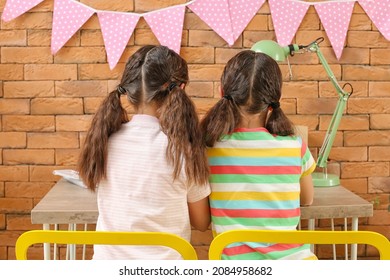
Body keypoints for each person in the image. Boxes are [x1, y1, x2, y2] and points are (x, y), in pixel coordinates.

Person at [77, 45, 211, 260]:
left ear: (127, 91)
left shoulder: (103, 141)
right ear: (181, 88)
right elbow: (201, 223)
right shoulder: (183, 151)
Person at [200, 50, 317, 260]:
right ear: (276, 98)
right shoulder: (294, 144)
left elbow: (203, 216)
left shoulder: (208, 147)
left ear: (222, 91)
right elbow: (307, 199)